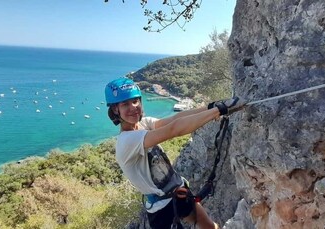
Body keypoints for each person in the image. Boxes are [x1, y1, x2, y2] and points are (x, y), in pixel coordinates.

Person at [104, 78, 245, 229]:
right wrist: (219, 110)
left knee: (209, 227)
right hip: (161, 209)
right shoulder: (126, 141)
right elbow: (173, 130)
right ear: (115, 110)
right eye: (125, 104)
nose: (133, 107)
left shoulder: (143, 123)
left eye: (135, 101)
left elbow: (175, 119)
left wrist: (211, 107)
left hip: (179, 192)